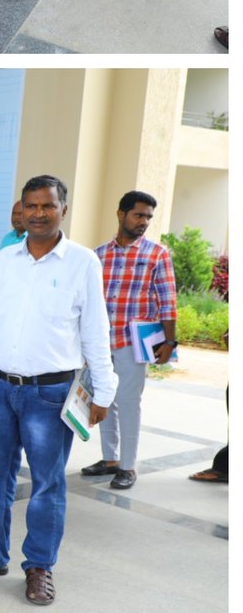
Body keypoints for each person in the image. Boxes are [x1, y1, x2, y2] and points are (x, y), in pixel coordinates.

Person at [0, 176, 117, 606]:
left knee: (46, 485)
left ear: (63, 209)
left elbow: (96, 332)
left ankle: (39, 566)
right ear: (21, 210)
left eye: (48, 206)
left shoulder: (82, 263)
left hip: (51, 394)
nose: (38, 213)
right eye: (31, 206)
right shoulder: (5, 259)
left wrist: (104, 391)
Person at [82, 191, 176, 490]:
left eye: (148, 217)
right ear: (121, 214)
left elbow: (167, 301)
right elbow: (87, 300)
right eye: (139, 215)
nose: (144, 222)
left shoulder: (156, 253)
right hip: (100, 342)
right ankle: (110, 459)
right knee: (104, 398)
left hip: (132, 341)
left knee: (128, 402)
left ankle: (127, 466)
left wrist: (170, 342)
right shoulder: (98, 254)